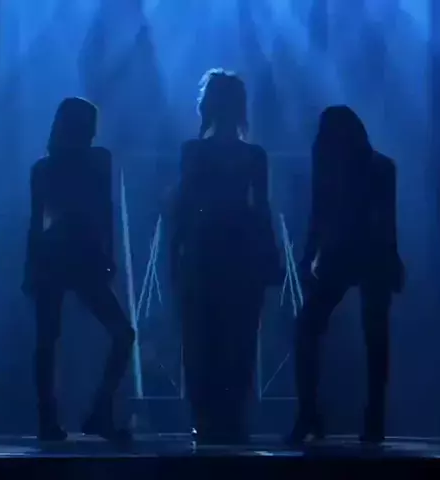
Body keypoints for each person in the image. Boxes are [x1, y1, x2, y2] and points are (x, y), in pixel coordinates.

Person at [170, 69, 281, 444]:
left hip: (204, 251)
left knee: (202, 338)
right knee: (239, 339)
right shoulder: (253, 155)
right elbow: (261, 209)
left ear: (207, 106)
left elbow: (183, 207)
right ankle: (231, 418)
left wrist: (173, 254)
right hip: (239, 251)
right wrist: (271, 256)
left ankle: (207, 418)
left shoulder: (194, 151)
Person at [288, 105, 405, 445]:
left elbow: (320, 214)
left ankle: (311, 414)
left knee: (313, 328)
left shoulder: (331, 162)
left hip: (349, 253)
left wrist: (310, 256)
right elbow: (384, 221)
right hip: (367, 254)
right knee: (374, 337)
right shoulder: (379, 166)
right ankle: (371, 418)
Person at [22, 97, 135, 443]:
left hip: (59, 254)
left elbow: (37, 224)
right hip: (77, 253)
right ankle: (94, 412)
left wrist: (31, 267)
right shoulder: (95, 161)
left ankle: (54, 418)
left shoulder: (47, 167)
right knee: (116, 333)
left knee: (49, 340)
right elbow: (103, 212)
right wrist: (108, 254)